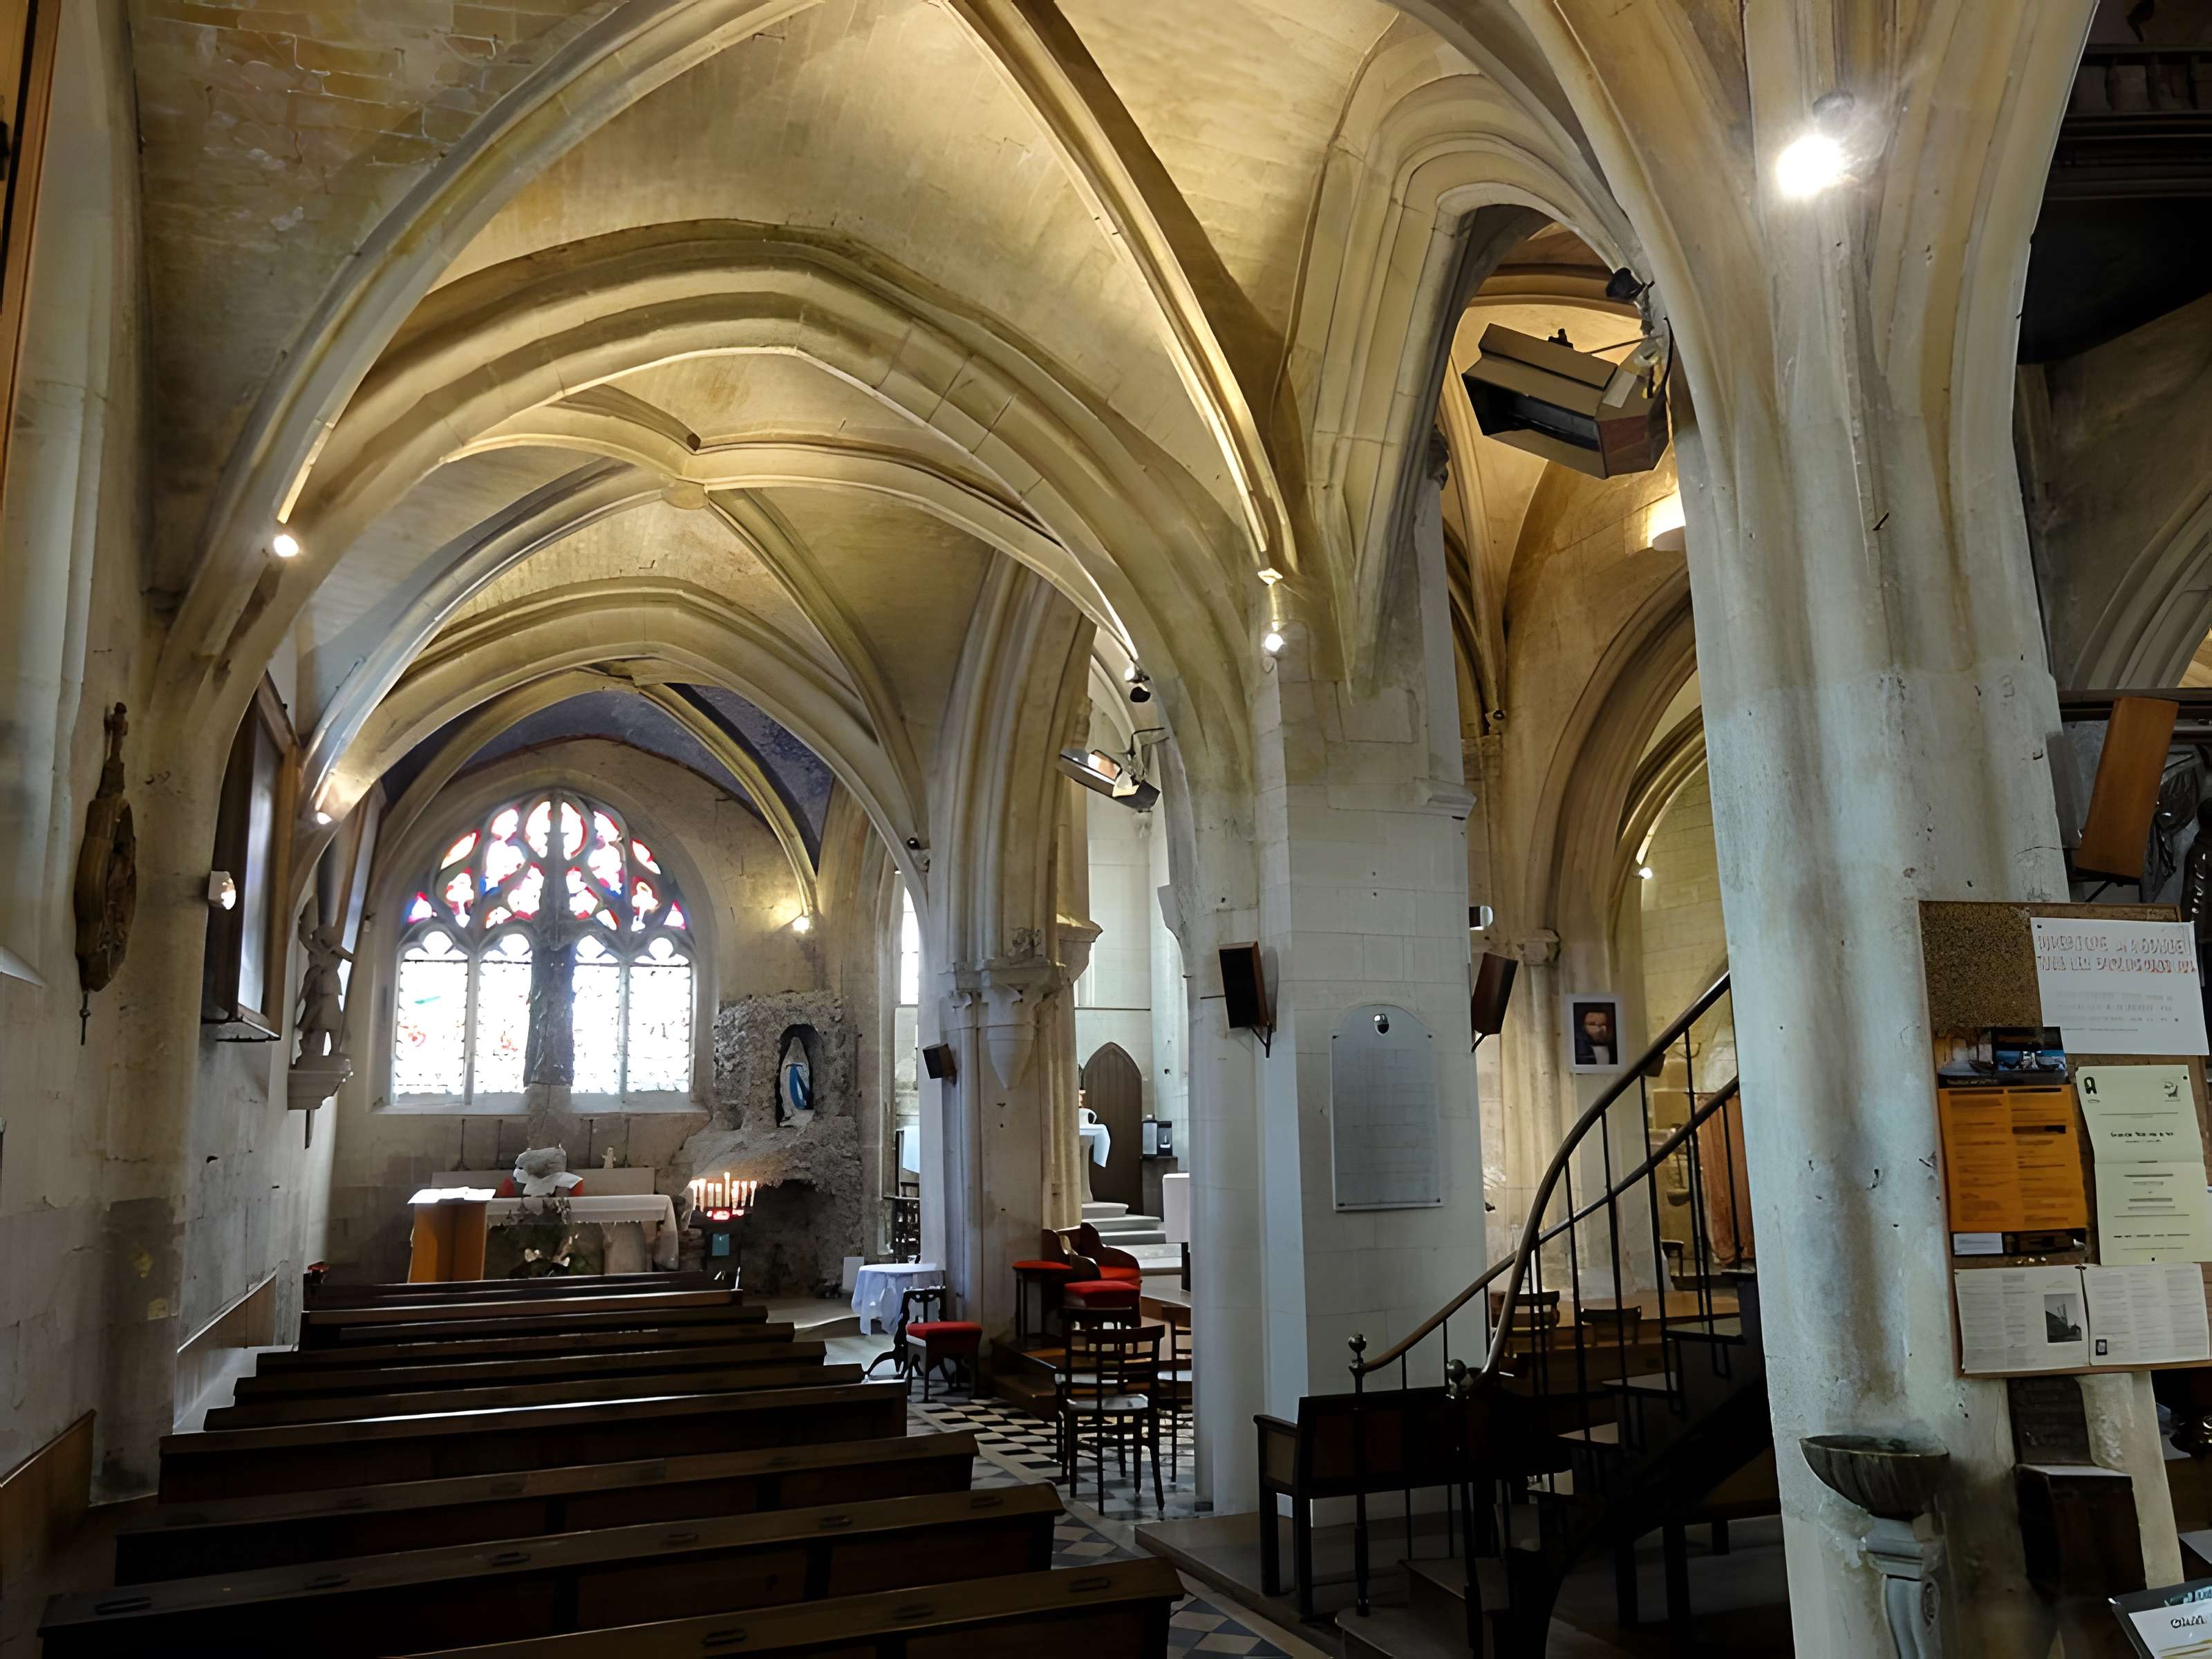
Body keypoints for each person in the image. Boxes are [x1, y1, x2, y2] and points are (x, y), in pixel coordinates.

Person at [1574, 1003, 1618, 1068]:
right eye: (1592, 1024)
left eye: (1603, 1024)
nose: (1599, 1029)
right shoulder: (1578, 1049)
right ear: (1584, 1027)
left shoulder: (1614, 1048)